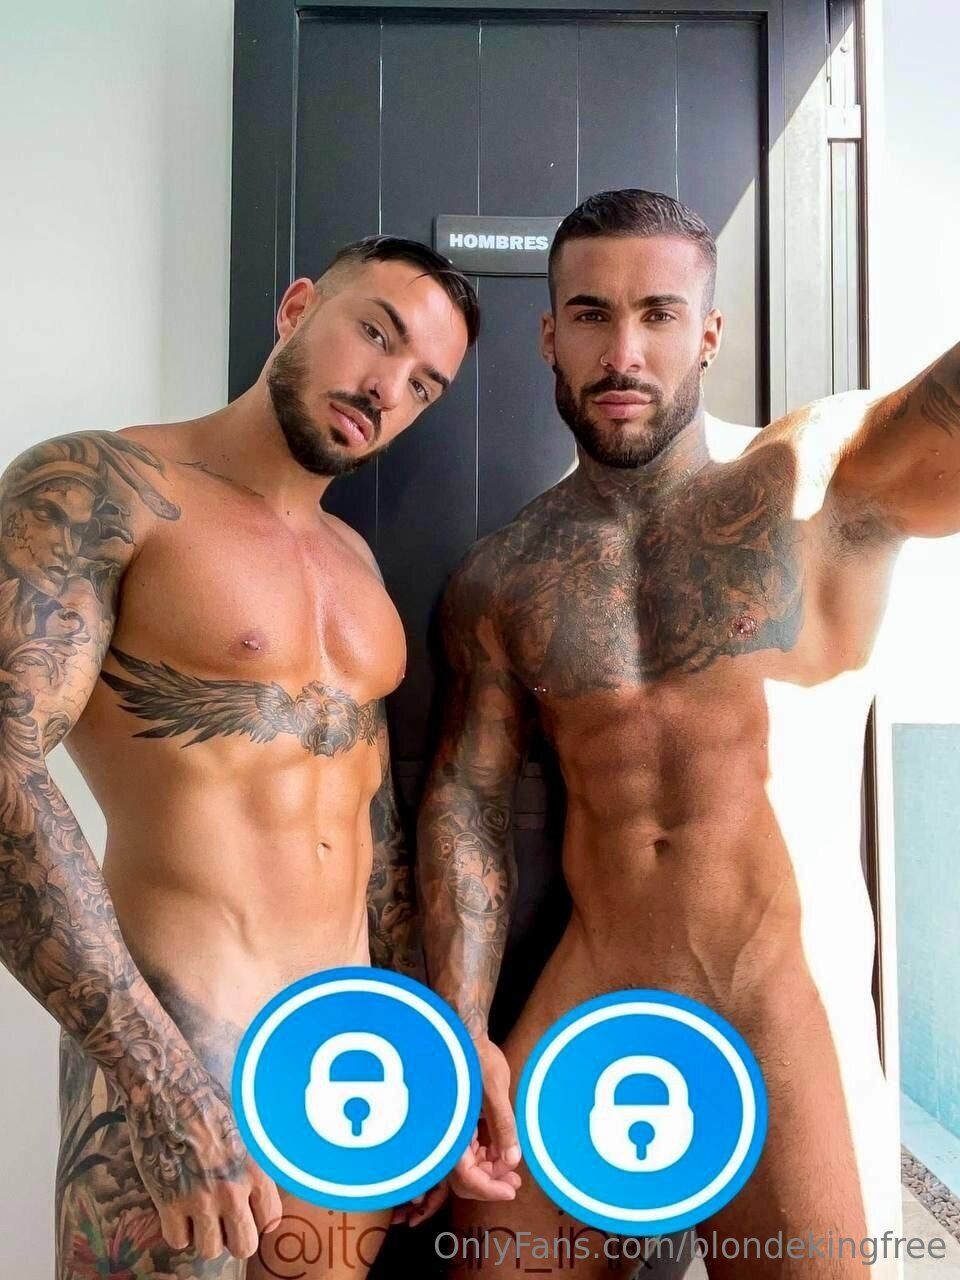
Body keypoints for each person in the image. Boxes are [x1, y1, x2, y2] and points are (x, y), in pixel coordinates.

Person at [418, 188, 954, 1278]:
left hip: (778, 1000)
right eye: (591, 314)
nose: (624, 352)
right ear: (549, 334)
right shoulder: (501, 574)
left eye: (658, 313)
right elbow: (467, 801)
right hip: (598, 990)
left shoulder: (818, 481)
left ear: (709, 332)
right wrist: (465, 1029)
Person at [0, 235, 477, 1279]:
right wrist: (159, 1080)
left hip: (344, 1057)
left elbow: (370, 826)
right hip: (182, 1035)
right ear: (297, 306)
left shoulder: (356, 566)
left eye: (423, 384)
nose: (387, 387)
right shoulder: (104, 485)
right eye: (377, 333)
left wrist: (421, 1056)